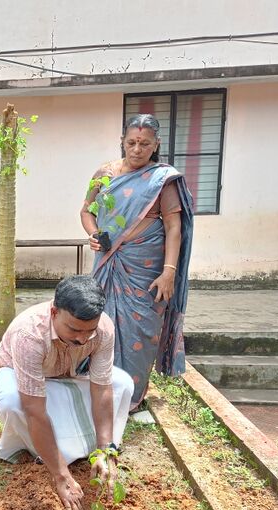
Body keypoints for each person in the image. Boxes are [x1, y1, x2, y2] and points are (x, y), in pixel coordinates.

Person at [0, 275, 134, 510]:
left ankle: (94, 449)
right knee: (11, 401)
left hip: (63, 375)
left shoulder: (103, 329)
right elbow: (34, 409)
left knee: (122, 383)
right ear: (54, 312)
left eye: (89, 331)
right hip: (19, 378)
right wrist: (61, 475)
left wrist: (105, 450)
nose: (82, 339)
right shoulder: (30, 334)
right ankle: (38, 452)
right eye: (74, 329)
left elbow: (102, 389)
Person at [81, 114, 194, 411]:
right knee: (98, 323)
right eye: (131, 142)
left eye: (144, 144)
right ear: (122, 142)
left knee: (142, 329)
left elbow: (173, 228)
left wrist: (169, 272)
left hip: (146, 270)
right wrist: (94, 234)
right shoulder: (104, 174)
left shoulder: (162, 180)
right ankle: (97, 389)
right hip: (108, 262)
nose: (137, 149)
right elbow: (86, 212)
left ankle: (131, 396)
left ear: (155, 145)